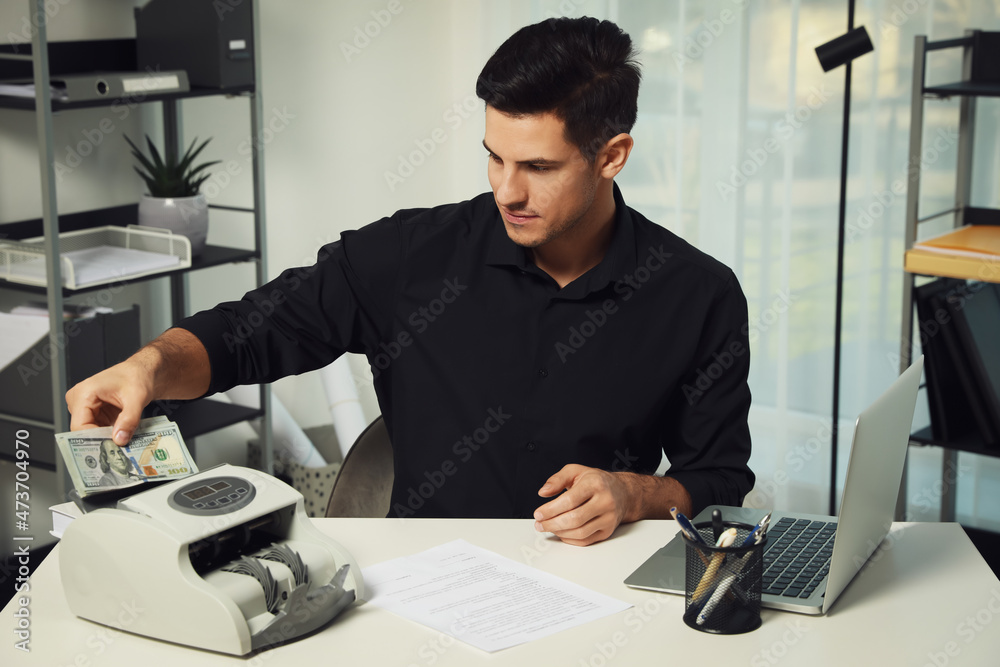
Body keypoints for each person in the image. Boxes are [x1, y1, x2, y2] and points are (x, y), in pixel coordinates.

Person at [66, 17, 754, 546]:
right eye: (494, 157)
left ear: (612, 156)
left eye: (538, 167)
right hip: (429, 588)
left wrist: (635, 494)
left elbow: (718, 484)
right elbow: (249, 334)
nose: (506, 190)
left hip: (600, 589)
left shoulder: (698, 295)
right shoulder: (408, 257)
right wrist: (148, 366)